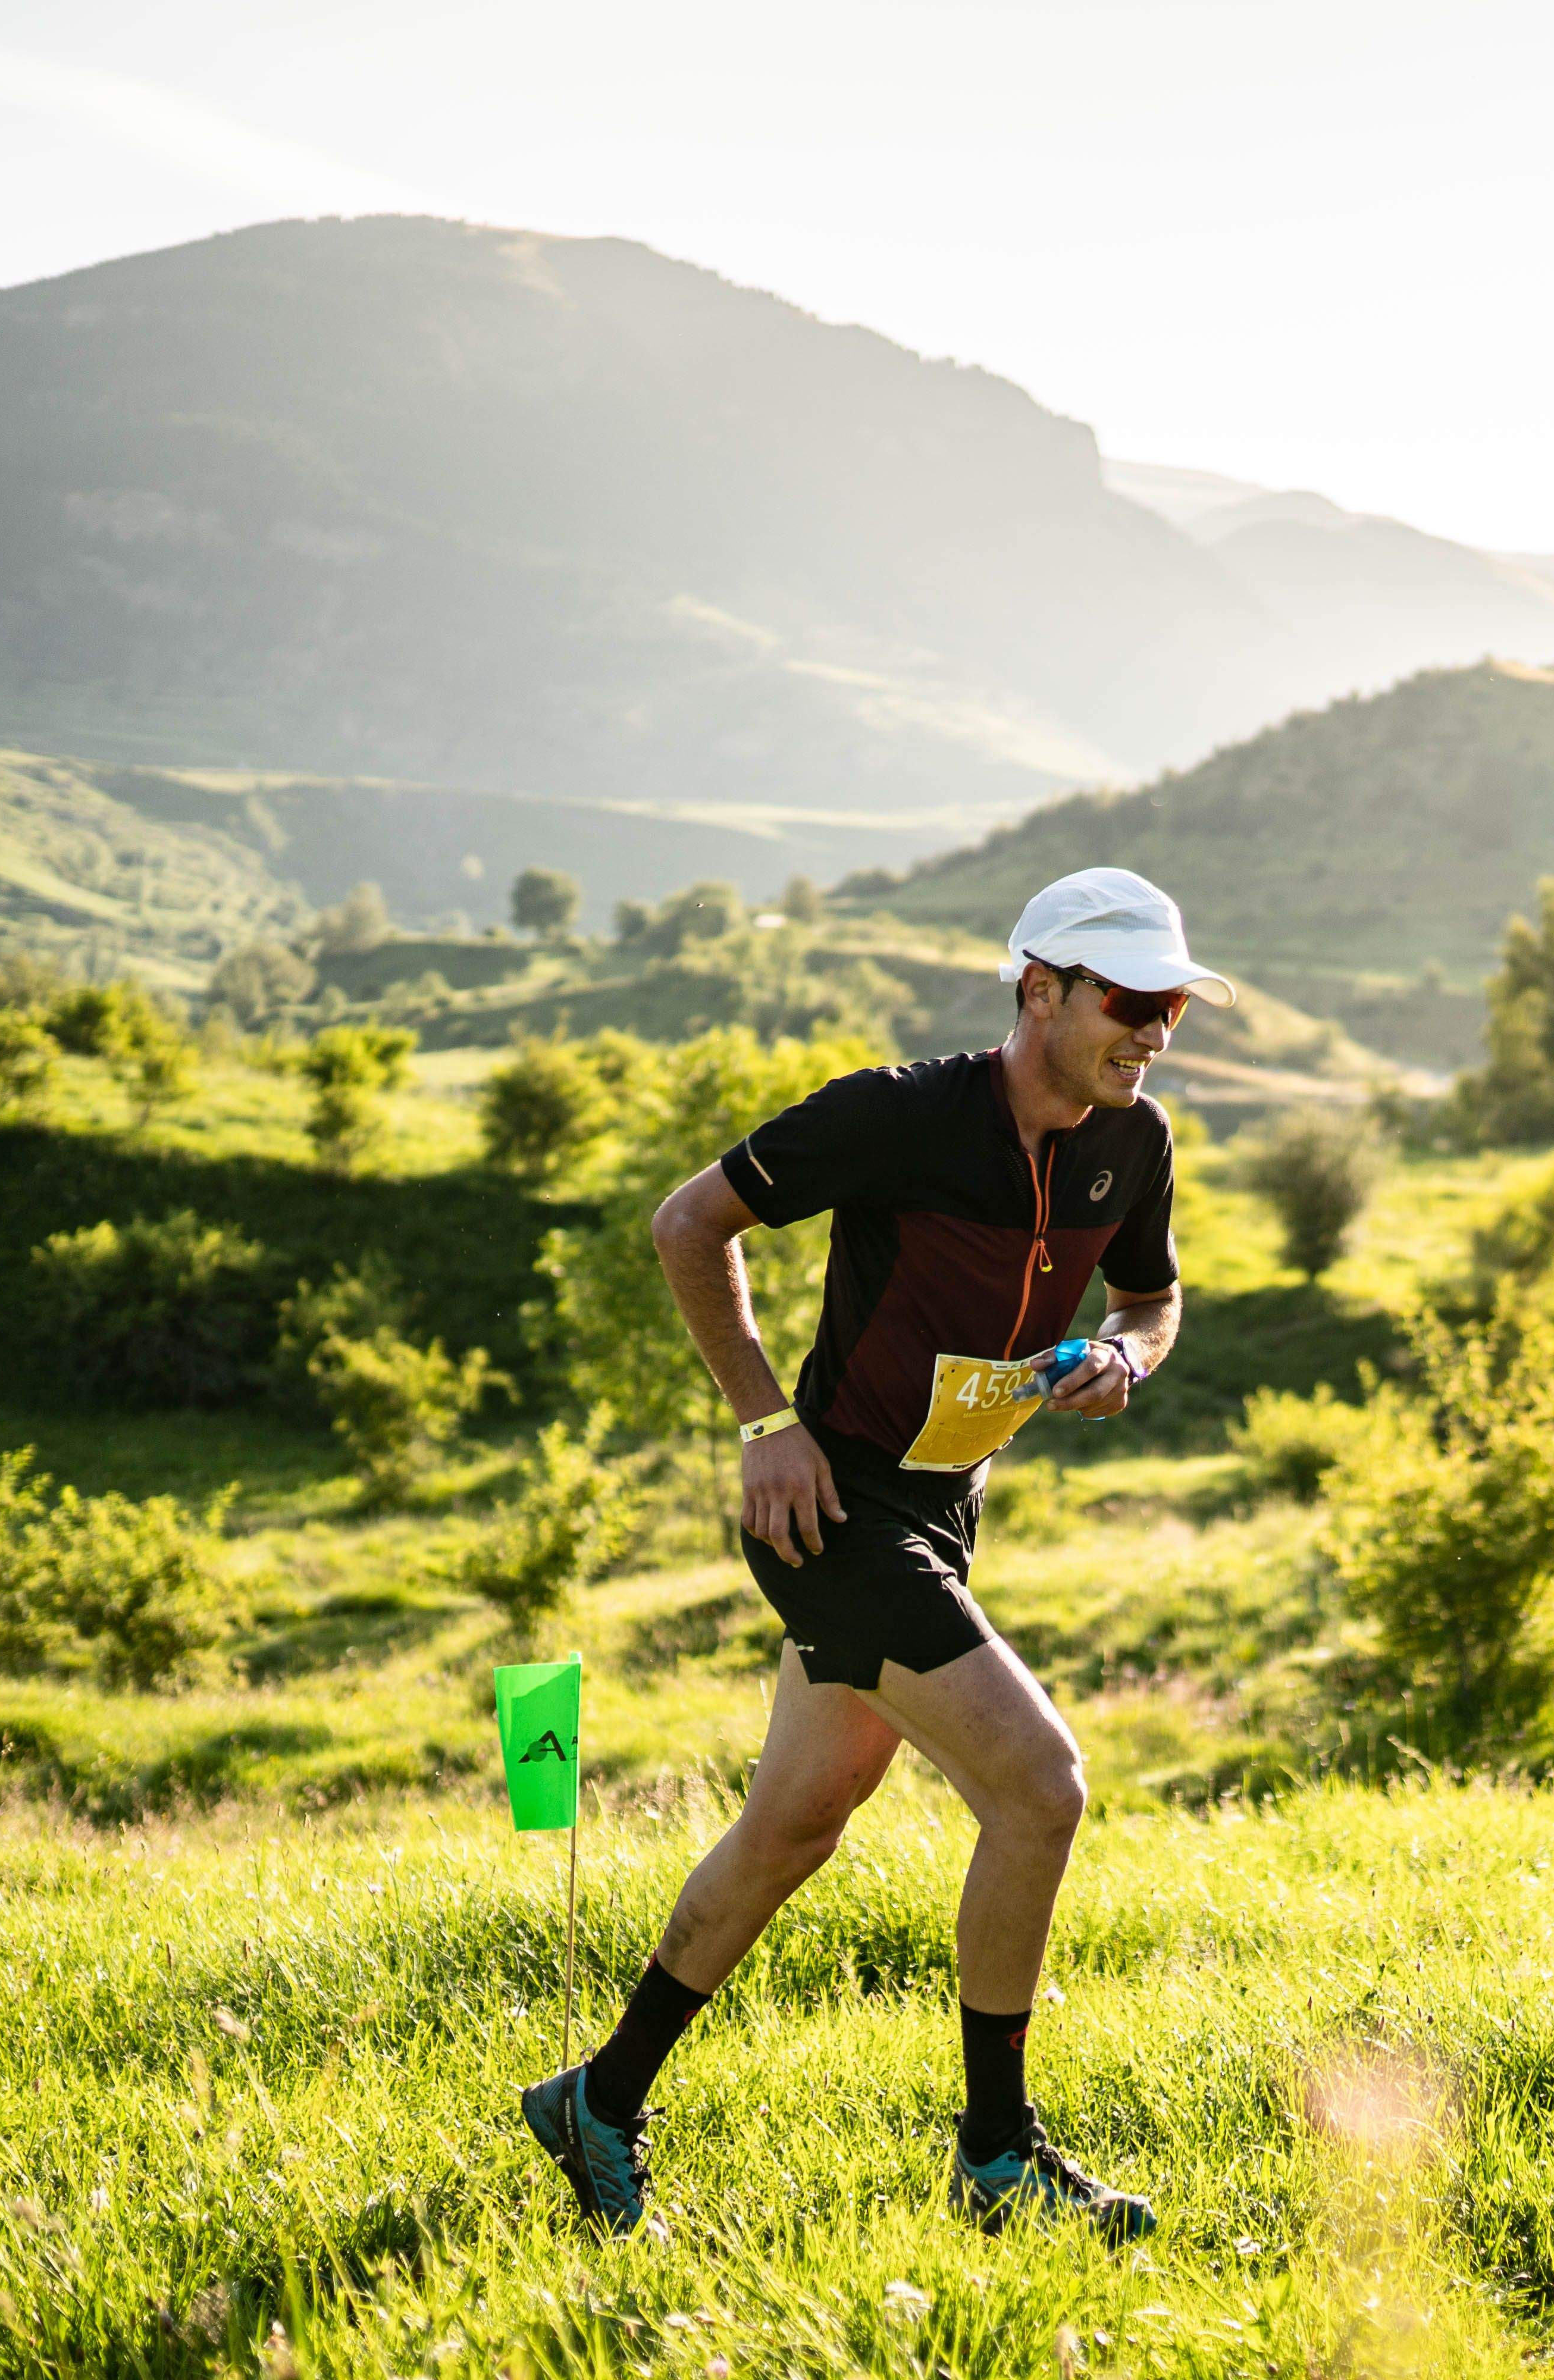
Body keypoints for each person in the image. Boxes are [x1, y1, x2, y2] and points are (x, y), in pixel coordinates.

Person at [519, 866, 1229, 2244]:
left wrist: (1125, 1356)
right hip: (831, 1508)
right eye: (1131, 1002)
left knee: (796, 1821)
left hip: (941, 1502)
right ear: (1041, 989)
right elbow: (688, 1223)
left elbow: (1152, 1291)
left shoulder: (1130, 1143)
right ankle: (997, 2150)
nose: (1154, 1031)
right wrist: (763, 1419)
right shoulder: (897, 1114)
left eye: (1175, 1009)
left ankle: (596, 2100)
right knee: (1042, 1787)